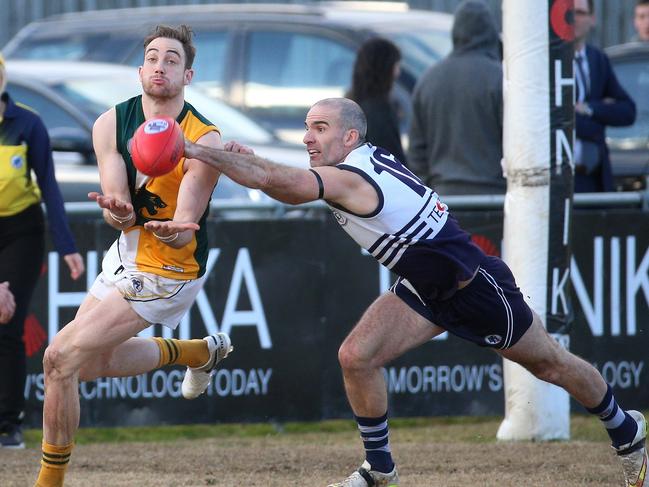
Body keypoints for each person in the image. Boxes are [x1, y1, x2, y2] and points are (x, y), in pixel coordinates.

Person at [183, 97, 647, 487]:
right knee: (356, 356)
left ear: (349, 138)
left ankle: (628, 432)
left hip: (474, 287)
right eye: (306, 128)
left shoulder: (354, 177)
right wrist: (242, 159)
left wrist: (198, 151)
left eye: (319, 128)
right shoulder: (352, 164)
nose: (307, 137)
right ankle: (379, 469)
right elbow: (280, 178)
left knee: (550, 362)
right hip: (425, 288)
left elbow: (278, 183)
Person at [33, 25, 233, 487]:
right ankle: (195, 352)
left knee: (58, 359)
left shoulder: (205, 139)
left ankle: (49, 481)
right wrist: (121, 215)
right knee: (89, 363)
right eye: (153, 57)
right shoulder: (111, 123)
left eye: (172, 60)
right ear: (140, 69)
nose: (160, 66)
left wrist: (173, 231)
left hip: (170, 267)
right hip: (124, 255)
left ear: (188, 75)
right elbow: (118, 208)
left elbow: (186, 228)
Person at [0, 53, 85, 450]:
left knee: (7, 321)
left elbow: (49, 186)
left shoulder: (27, 123)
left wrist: (67, 245)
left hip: (22, 230)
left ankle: (8, 424)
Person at [408, 0, 504, 195]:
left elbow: (417, 150)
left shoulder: (428, 79)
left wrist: (429, 188)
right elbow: (516, 144)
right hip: (494, 197)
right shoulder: (500, 78)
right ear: (491, 32)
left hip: (444, 196)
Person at [573, 0, 636, 192]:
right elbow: (558, 116)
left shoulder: (597, 59)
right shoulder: (552, 61)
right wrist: (596, 123)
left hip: (595, 174)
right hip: (565, 175)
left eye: (580, 13)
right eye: (570, 13)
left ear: (592, 19)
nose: (574, 19)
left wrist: (590, 109)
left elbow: (627, 111)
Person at [347, 37, 406, 164]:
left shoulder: (352, 106)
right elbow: (392, 163)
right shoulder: (378, 111)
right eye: (396, 66)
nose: (398, 72)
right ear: (385, 68)